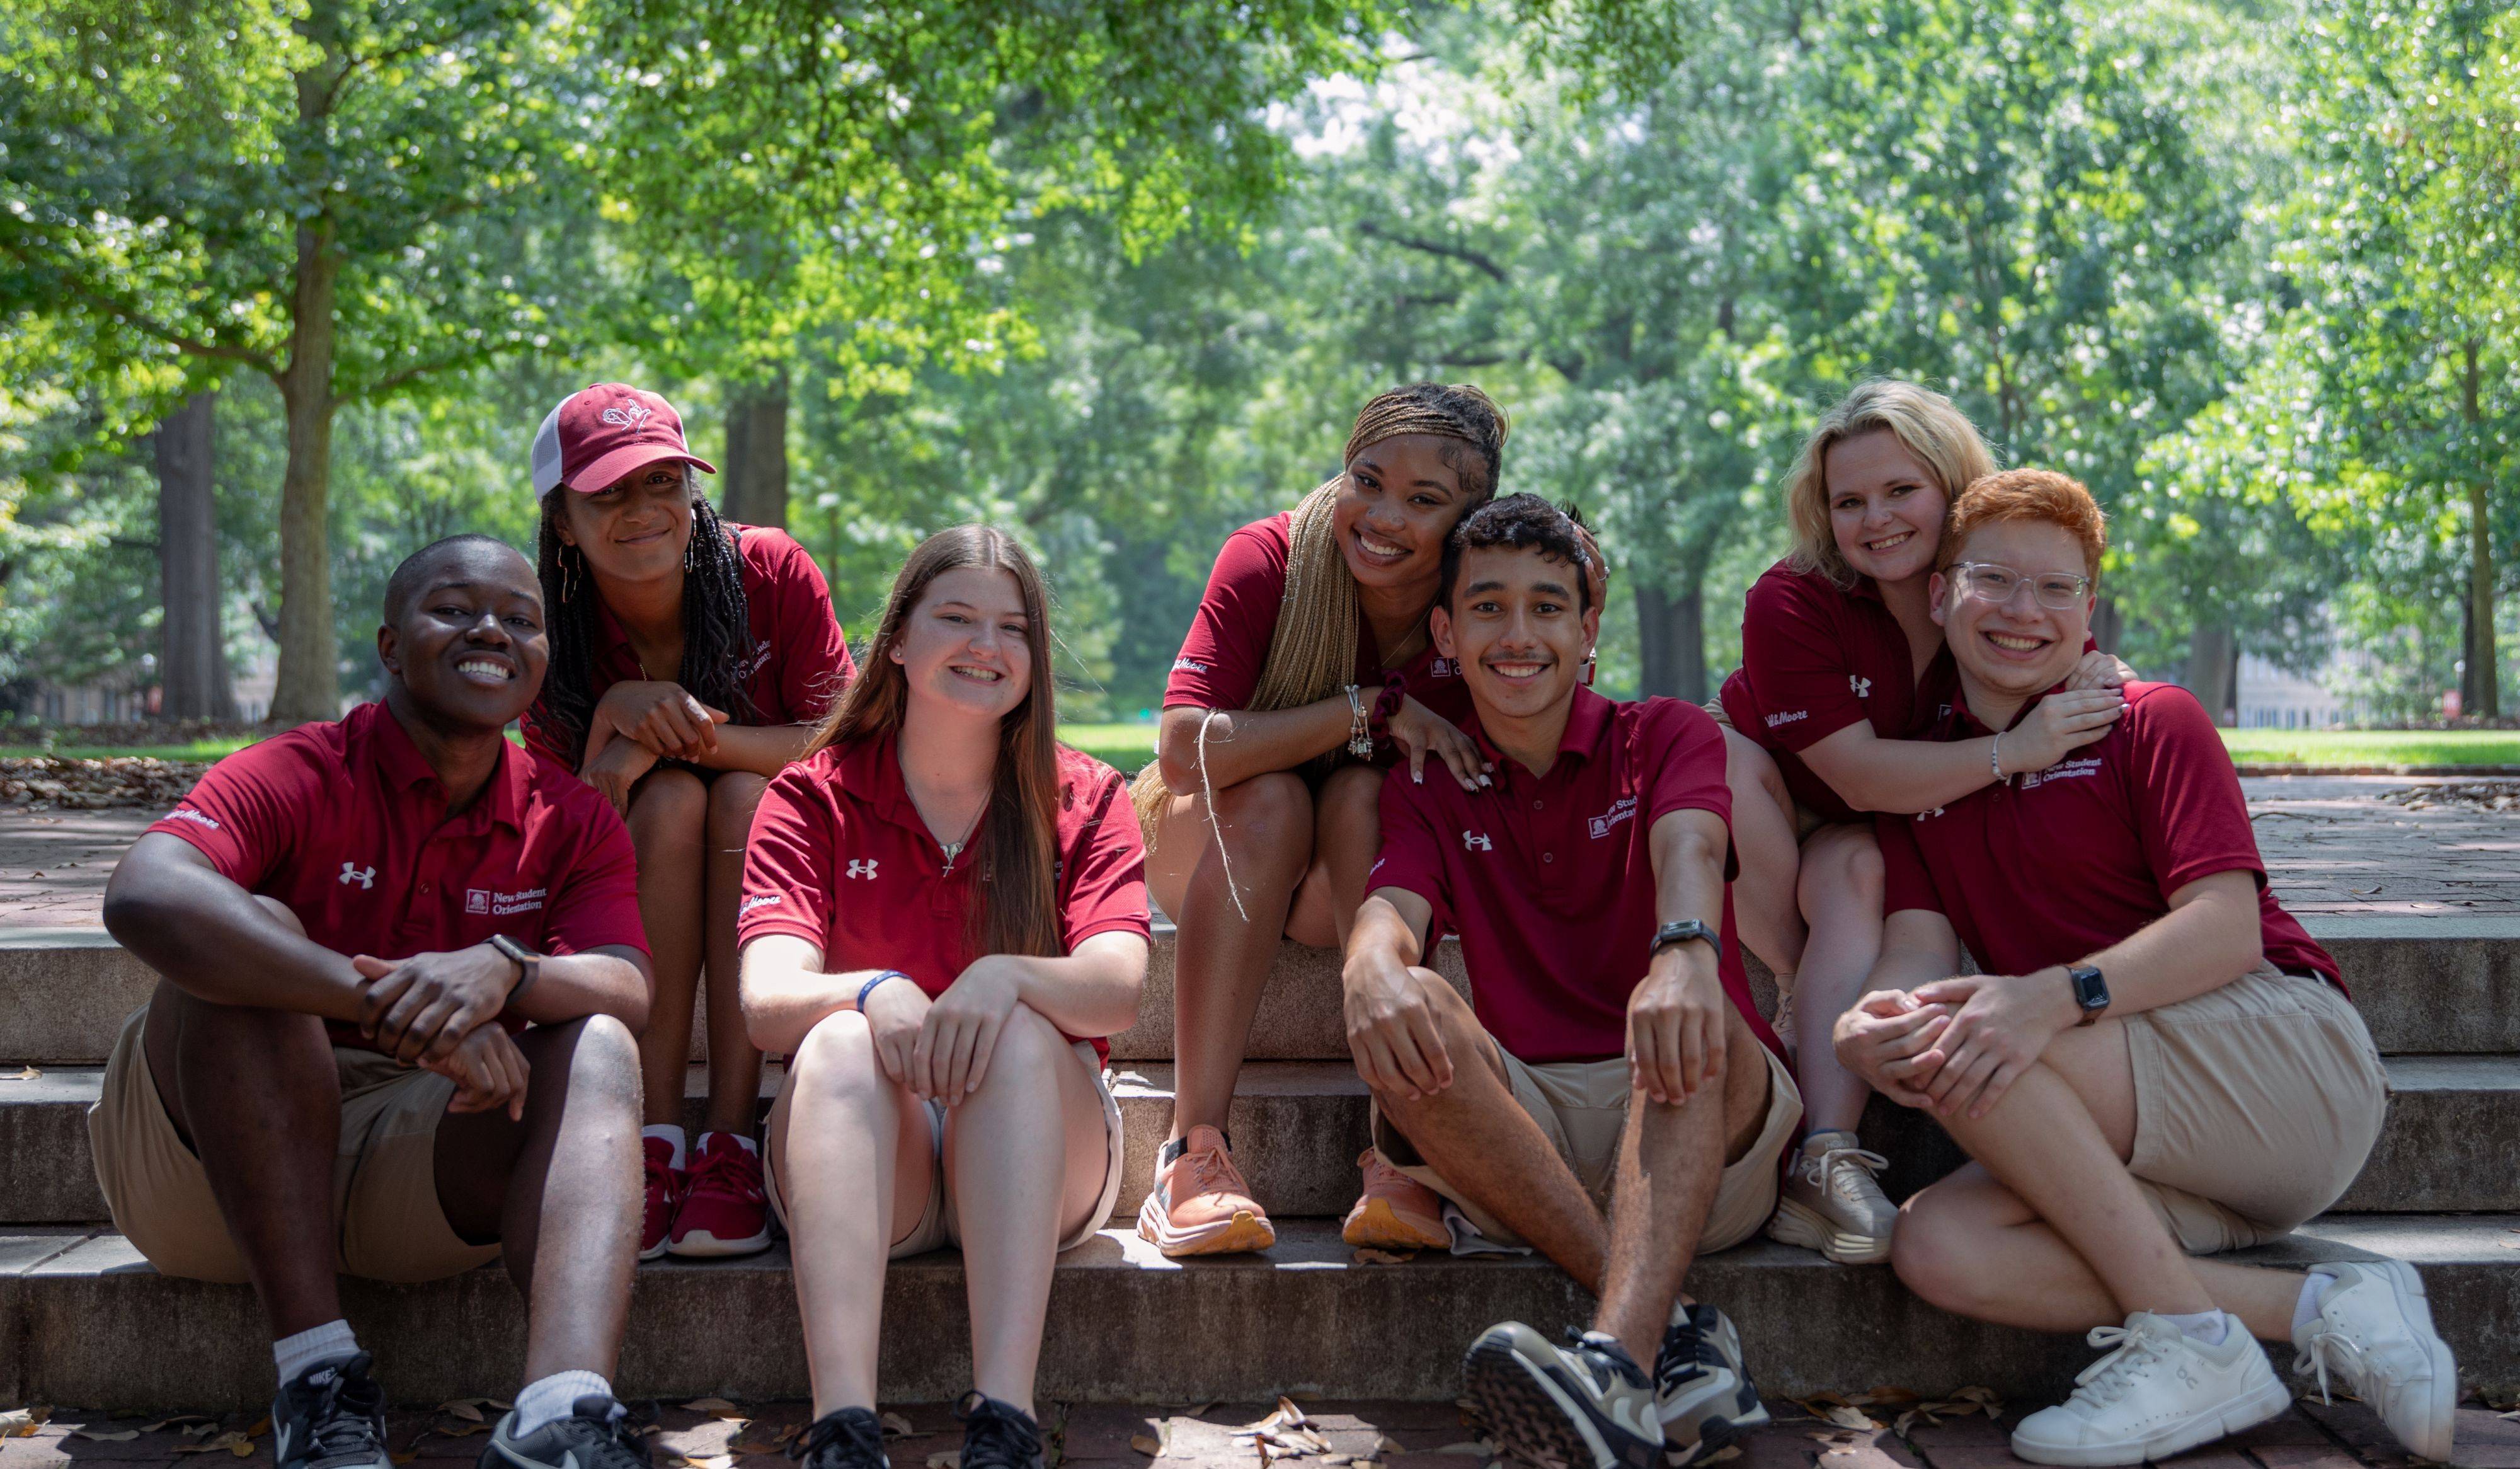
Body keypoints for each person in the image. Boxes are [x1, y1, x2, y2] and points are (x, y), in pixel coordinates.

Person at [1833, 470, 2456, 1467]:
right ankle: (2323, 1305)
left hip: (2286, 1062)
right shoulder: (1929, 775)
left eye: (2058, 590)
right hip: (2153, 1142)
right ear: (1944, 592)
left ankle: (2195, 1345)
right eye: (1995, 580)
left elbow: (2225, 929)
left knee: (1974, 1041)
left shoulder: (2150, 720)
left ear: (2091, 607)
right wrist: (1867, 1024)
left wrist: (2052, 997)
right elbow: (1913, 951)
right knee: (1939, 1245)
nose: (2024, 613)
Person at [94, 536, 654, 1469]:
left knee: (597, 1039)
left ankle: (561, 1413)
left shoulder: (572, 816)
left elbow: (629, 982)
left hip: (421, 1167)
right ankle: (316, 1382)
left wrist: (506, 969)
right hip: (206, 1169)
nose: (492, 631)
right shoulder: (296, 770)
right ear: (391, 647)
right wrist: (395, 1006)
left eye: (521, 619)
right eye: (456, 609)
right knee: (253, 935)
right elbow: (144, 894)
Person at [1343, 497, 1802, 1469]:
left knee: (1697, 1006)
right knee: (1405, 999)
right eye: (1490, 608)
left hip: (1699, 1121)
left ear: (1588, 629)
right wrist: (1368, 964)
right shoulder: (1427, 780)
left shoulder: (1667, 734)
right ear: (1446, 632)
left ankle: (1613, 1368)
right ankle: (1668, 1341)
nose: (1519, 636)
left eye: (1549, 608)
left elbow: (1693, 842)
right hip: (1525, 1140)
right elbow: (1398, 908)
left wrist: (1683, 949)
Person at [739, 526, 1150, 1469]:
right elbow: (768, 1002)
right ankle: (842, 1431)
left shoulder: (1085, 794)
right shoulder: (810, 797)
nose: (987, 646)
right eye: (957, 618)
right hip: (875, 1162)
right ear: (897, 641)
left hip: (1042, 1156)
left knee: (1014, 1032)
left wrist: (1002, 974)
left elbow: (1119, 990)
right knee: (836, 1042)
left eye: (1014, 628)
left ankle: (1003, 1424)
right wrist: (875, 991)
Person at [1714, 379, 2128, 1265]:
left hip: (1882, 826)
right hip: (1778, 798)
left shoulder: (1987, 583)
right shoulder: (1791, 599)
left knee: (1861, 869)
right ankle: (1811, 999)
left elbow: (2067, 651)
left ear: (1951, 485)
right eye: (1849, 500)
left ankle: (1822, 1157)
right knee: (1714, 764)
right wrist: (2015, 753)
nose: (1876, 519)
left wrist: (2104, 678)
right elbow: (1856, 773)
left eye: (1901, 491)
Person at [1134, 382, 1532, 1259]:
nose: (1383, 516)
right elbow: (1181, 751)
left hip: (1352, 875)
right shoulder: (1270, 559)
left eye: (1425, 501)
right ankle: (1190, 1154)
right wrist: (1372, 710)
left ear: (1470, 519)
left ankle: (1402, 1154)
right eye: (1368, 480)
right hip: (1217, 841)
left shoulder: (1480, 599)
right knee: (1277, 798)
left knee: (1361, 795)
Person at [524, 383, 855, 1262]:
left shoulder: (771, 570)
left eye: (664, 482)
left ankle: (732, 1142)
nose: (643, 510)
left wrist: (681, 740)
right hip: (637, 868)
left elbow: (844, 744)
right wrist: (612, 719)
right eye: (609, 493)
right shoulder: (547, 628)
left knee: (742, 794)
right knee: (669, 803)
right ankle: (656, 1135)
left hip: (798, 855)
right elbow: (561, 825)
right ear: (562, 520)